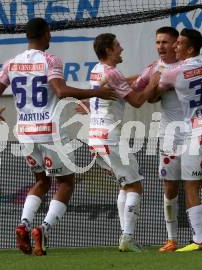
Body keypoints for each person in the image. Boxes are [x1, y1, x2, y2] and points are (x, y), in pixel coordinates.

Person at [0, 18, 118, 256]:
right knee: (66, 182)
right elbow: (61, 91)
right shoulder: (50, 60)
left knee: (41, 181)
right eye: (50, 34)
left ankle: (23, 224)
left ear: (27, 36)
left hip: (25, 133)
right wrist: (97, 92)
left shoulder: (11, 63)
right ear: (46, 34)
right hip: (49, 131)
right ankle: (44, 228)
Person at [132, 27, 202, 252]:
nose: (162, 46)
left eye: (167, 42)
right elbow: (140, 88)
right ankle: (172, 239)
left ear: (178, 46)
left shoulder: (177, 69)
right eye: (158, 42)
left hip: (195, 133)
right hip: (170, 136)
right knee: (170, 188)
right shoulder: (155, 68)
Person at [88, 33, 161, 252]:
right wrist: (153, 82)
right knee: (135, 185)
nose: (122, 49)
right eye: (118, 46)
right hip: (110, 136)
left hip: (94, 135)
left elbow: (121, 82)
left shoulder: (96, 69)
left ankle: (125, 236)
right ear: (109, 50)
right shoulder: (112, 72)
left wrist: (142, 77)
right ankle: (128, 236)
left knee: (124, 185)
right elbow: (138, 101)